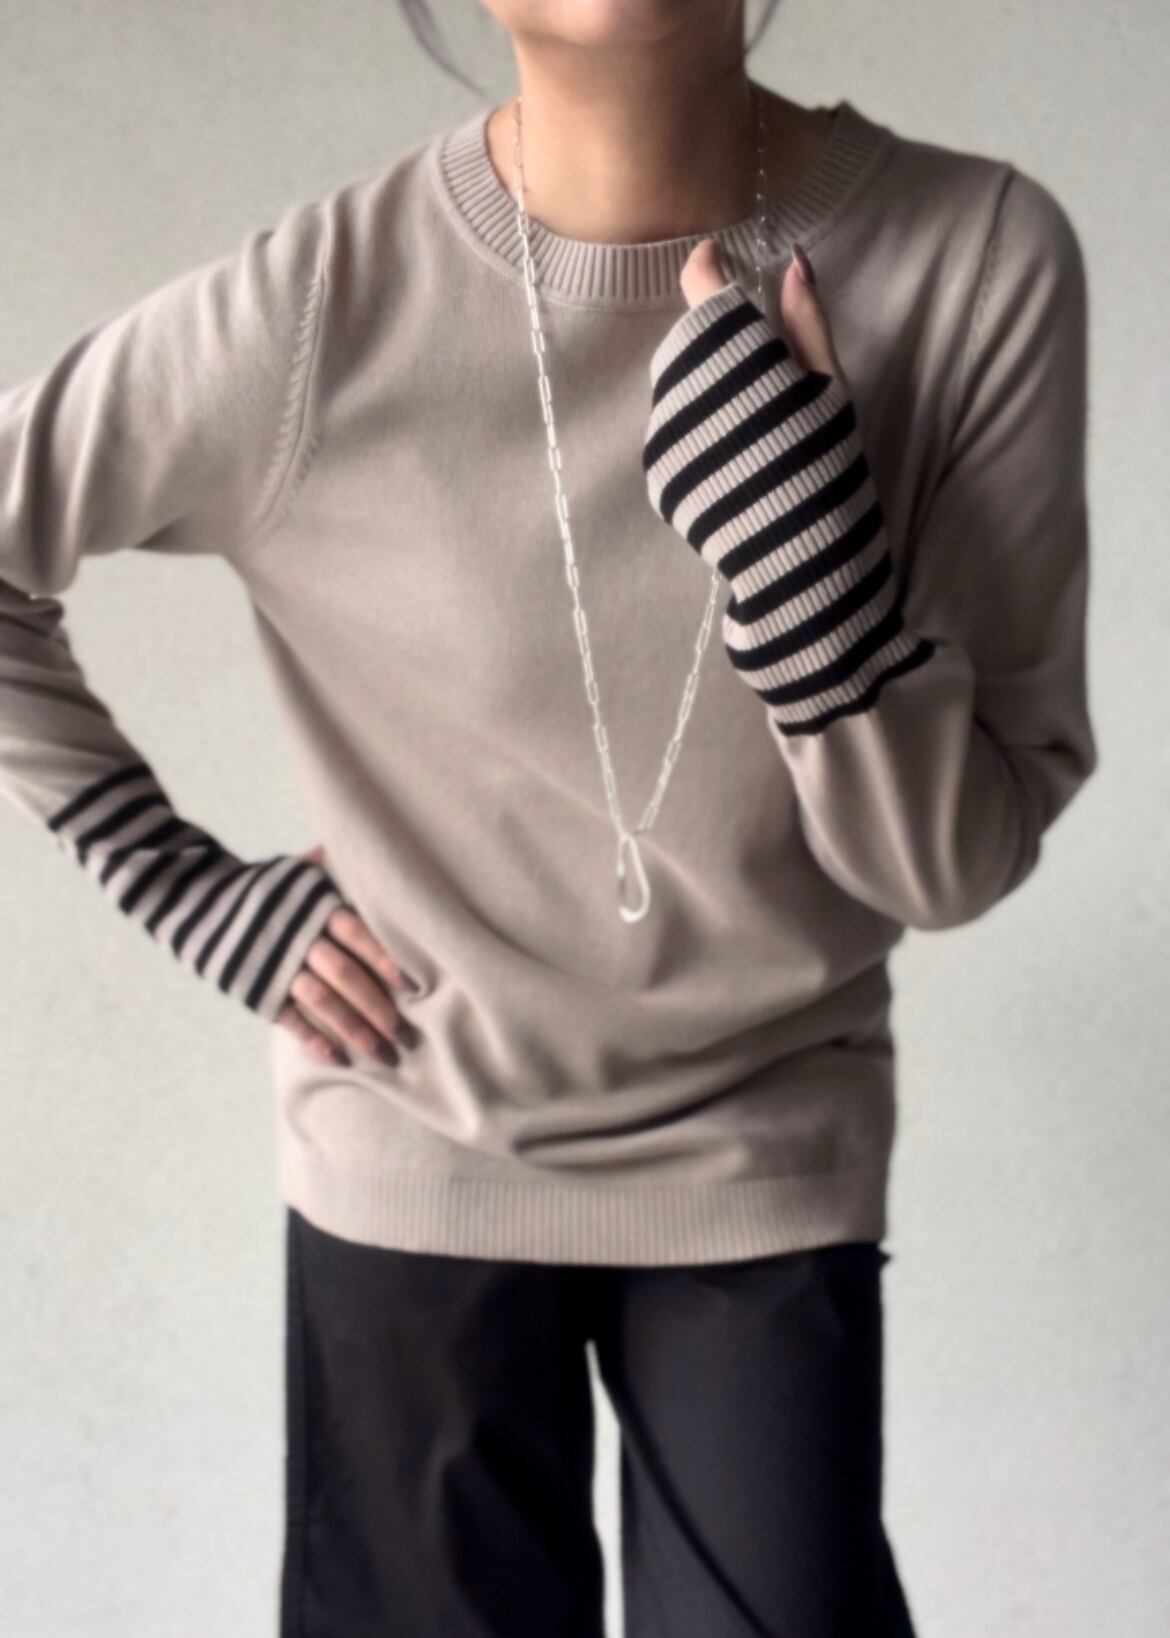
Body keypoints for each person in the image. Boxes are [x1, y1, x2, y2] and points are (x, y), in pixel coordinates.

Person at [0, 2, 1097, 1633]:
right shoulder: (318, 309)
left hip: (761, 1141)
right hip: (416, 1121)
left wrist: (809, 594)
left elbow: (950, 861)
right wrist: (182, 883)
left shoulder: (971, 258)